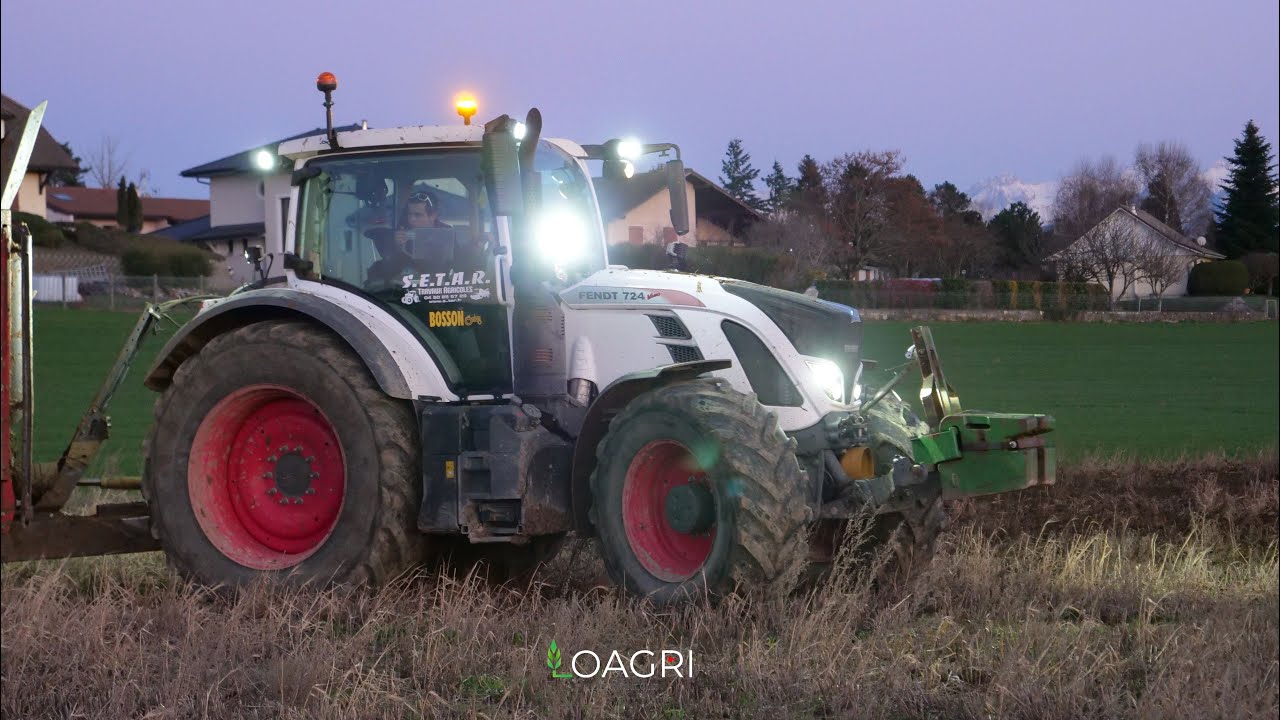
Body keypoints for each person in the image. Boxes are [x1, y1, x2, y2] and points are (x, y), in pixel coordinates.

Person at [366, 189, 451, 288]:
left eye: (417, 215)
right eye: (410, 214)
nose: (412, 219)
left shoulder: (447, 235)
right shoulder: (400, 232)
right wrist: (396, 245)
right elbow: (388, 271)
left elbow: (458, 266)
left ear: (433, 216)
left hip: (441, 291)